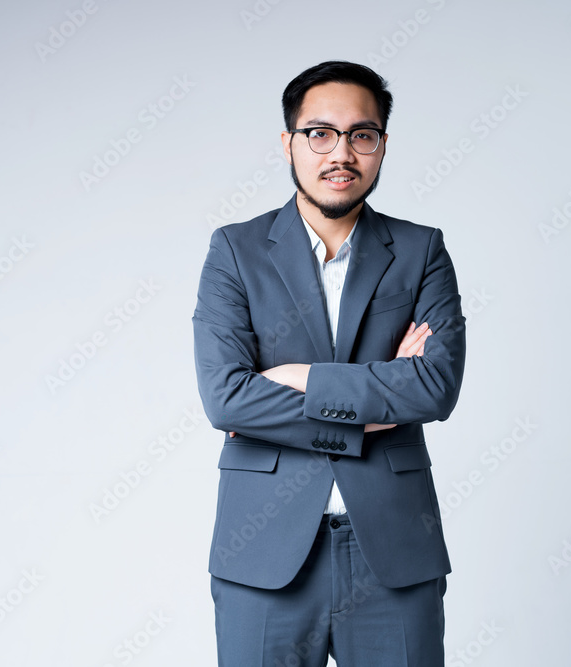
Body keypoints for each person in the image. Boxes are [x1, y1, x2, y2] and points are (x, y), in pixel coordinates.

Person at [191, 60, 466, 666]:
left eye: (361, 135)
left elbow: (434, 387)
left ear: (382, 145)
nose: (341, 153)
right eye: (320, 134)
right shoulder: (235, 251)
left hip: (394, 551)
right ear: (288, 142)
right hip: (263, 553)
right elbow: (227, 398)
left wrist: (297, 379)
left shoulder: (421, 250)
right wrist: (372, 408)